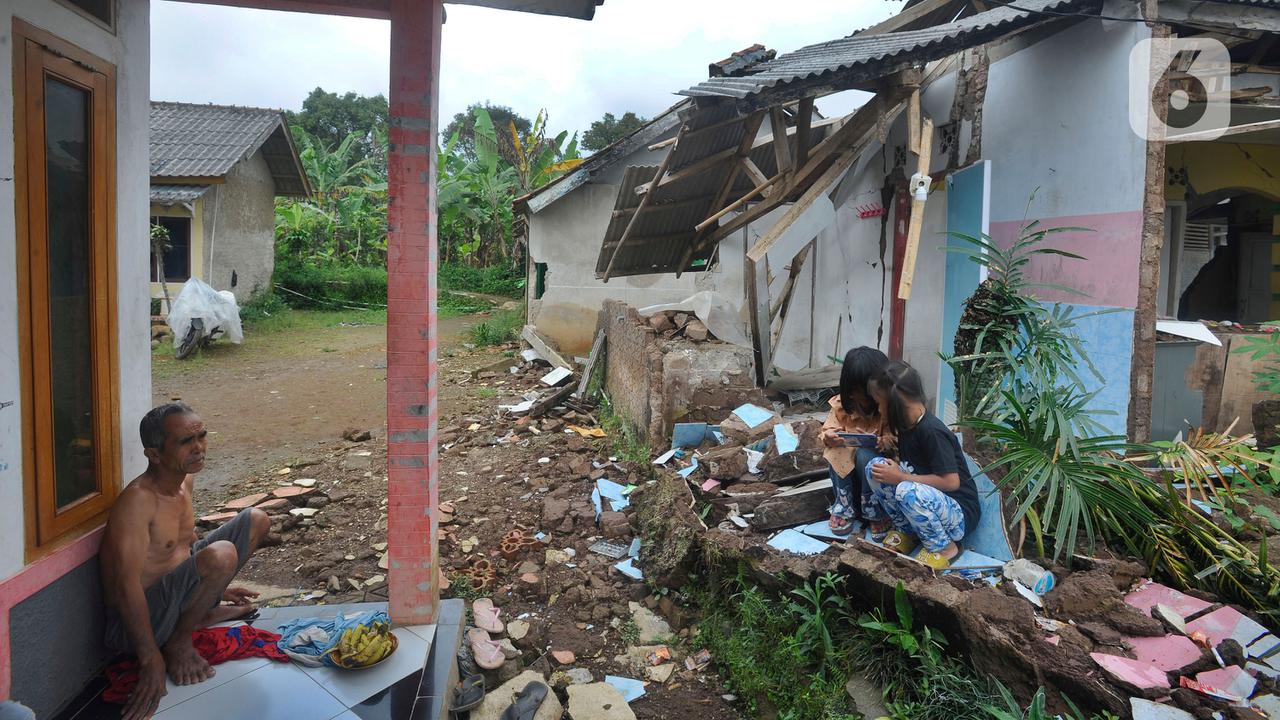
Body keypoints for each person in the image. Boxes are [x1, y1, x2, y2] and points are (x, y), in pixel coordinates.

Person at [100, 402, 269, 720]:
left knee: (257, 519)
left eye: (202, 436)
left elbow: (182, 544)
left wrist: (216, 584)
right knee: (222, 553)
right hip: (141, 622)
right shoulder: (138, 501)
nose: (199, 448)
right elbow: (125, 586)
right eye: (186, 441)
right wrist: (150, 659)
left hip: (177, 596)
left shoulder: (183, 480)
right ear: (154, 454)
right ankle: (178, 641)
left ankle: (199, 613)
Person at [862, 361, 981, 569]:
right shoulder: (907, 426)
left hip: (958, 514)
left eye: (879, 403)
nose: (879, 409)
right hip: (926, 502)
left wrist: (900, 477)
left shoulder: (932, 431)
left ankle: (945, 548)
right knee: (875, 468)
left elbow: (951, 482)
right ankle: (909, 532)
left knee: (907, 490)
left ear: (895, 402)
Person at [819, 347, 892, 536]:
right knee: (837, 449)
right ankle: (843, 506)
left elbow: (897, 438)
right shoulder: (841, 406)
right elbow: (827, 430)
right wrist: (829, 437)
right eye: (852, 390)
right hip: (848, 479)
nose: (855, 396)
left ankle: (875, 510)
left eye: (862, 391)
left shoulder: (888, 408)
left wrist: (884, 442)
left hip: (878, 478)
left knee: (866, 455)